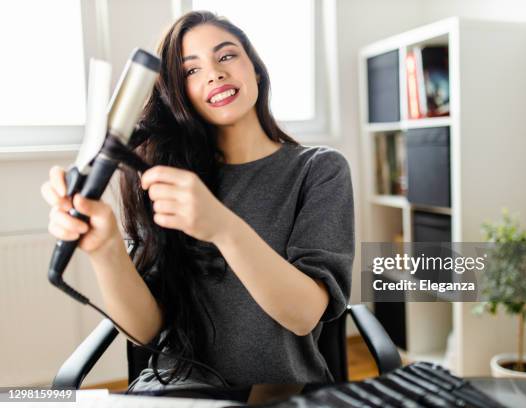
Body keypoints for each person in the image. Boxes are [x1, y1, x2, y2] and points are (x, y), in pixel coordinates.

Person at [40, 10, 354, 403]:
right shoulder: (165, 175)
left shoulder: (319, 170)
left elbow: (304, 313)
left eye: (226, 56)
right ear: (178, 94)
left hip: (279, 391)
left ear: (255, 69)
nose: (214, 73)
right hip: (177, 389)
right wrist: (106, 252)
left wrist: (222, 227)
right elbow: (146, 331)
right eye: (190, 71)